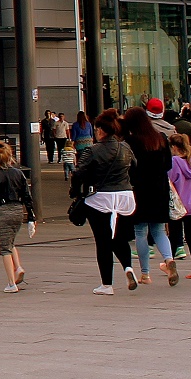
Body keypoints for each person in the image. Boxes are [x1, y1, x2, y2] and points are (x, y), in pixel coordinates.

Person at [70, 109, 137, 295]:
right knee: (120, 238)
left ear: (100, 130)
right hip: (125, 196)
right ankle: (128, 268)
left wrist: (75, 191)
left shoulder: (93, 150)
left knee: (103, 241)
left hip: (101, 197)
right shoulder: (125, 148)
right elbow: (135, 168)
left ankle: (107, 284)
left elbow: (78, 172)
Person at [123, 107, 178, 288]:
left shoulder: (130, 141)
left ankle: (145, 274)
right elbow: (168, 164)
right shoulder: (160, 138)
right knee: (159, 230)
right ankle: (169, 260)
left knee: (140, 232)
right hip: (160, 188)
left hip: (139, 189)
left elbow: (129, 167)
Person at [0, 140, 34, 292]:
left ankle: (11, 283)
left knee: (4, 248)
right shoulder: (18, 173)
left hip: (4, 210)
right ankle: (18, 266)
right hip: (18, 210)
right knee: (11, 241)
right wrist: (31, 218)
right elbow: (27, 195)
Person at [167, 132, 191, 279]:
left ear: (174, 147)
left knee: (174, 237)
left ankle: (170, 264)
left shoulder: (174, 161)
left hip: (178, 205)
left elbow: (169, 181)